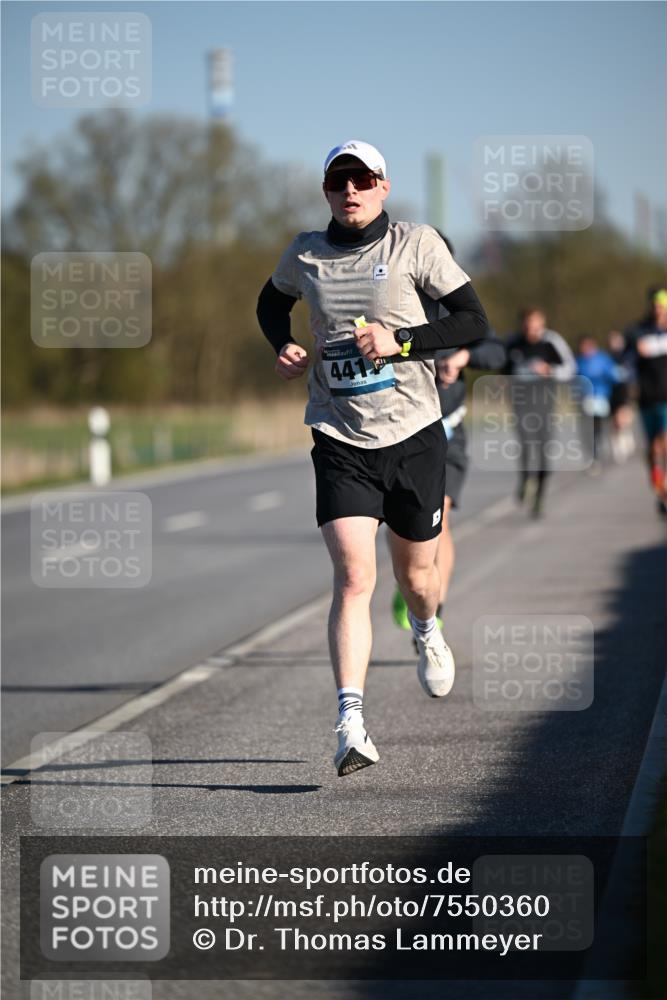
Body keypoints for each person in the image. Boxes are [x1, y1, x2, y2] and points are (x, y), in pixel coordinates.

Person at [256, 140, 491, 776]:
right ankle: (350, 723)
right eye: (339, 182)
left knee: (417, 579)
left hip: (414, 435)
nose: (350, 192)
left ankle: (427, 629)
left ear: (383, 185)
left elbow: (473, 321)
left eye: (362, 180)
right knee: (355, 577)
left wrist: (402, 340)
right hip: (340, 437)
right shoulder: (305, 252)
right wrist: (282, 344)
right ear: (326, 192)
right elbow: (271, 303)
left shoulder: (416, 244)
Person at [392, 235, 506, 632]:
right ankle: (413, 581)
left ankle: (434, 608)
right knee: (401, 524)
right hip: (400, 429)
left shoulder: (458, 308)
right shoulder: (396, 301)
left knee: (439, 521)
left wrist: (464, 356)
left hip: (447, 433)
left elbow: (497, 352)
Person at [503, 307, 576, 517]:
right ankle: (525, 479)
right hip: (521, 404)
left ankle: (540, 496)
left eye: (535, 324)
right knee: (526, 445)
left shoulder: (552, 342)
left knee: (544, 451)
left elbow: (570, 368)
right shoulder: (513, 343)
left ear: (542, 324)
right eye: (527, 324)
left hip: (545, 405)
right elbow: (502, 368)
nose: (531, 329)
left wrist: (550, 370)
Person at [626, 288, 667, 515]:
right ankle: (659, 488)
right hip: (647, 398)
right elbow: (625, 362)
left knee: (664, 442)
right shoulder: (638, 332)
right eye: (655, 306)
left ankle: (665, 485)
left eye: (662, 306)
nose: (658, 310)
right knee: (652, 449)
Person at [575, 334, 625, 468]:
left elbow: (614, 376)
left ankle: (604, 449)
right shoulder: (578, 361)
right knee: (589, 429)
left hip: (601, 398)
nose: (585, 349)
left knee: (601, 426)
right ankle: (593, 455)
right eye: (583, 346)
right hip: (585, 400)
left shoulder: (603, 359)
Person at [606, 330, 636, 463]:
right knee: (616, 421)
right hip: (612, 392)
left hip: (625, 391)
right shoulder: (607, 359)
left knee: (625, 417)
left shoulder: (628, 357)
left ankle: (626, 437)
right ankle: (617, 444)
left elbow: (633, 373)